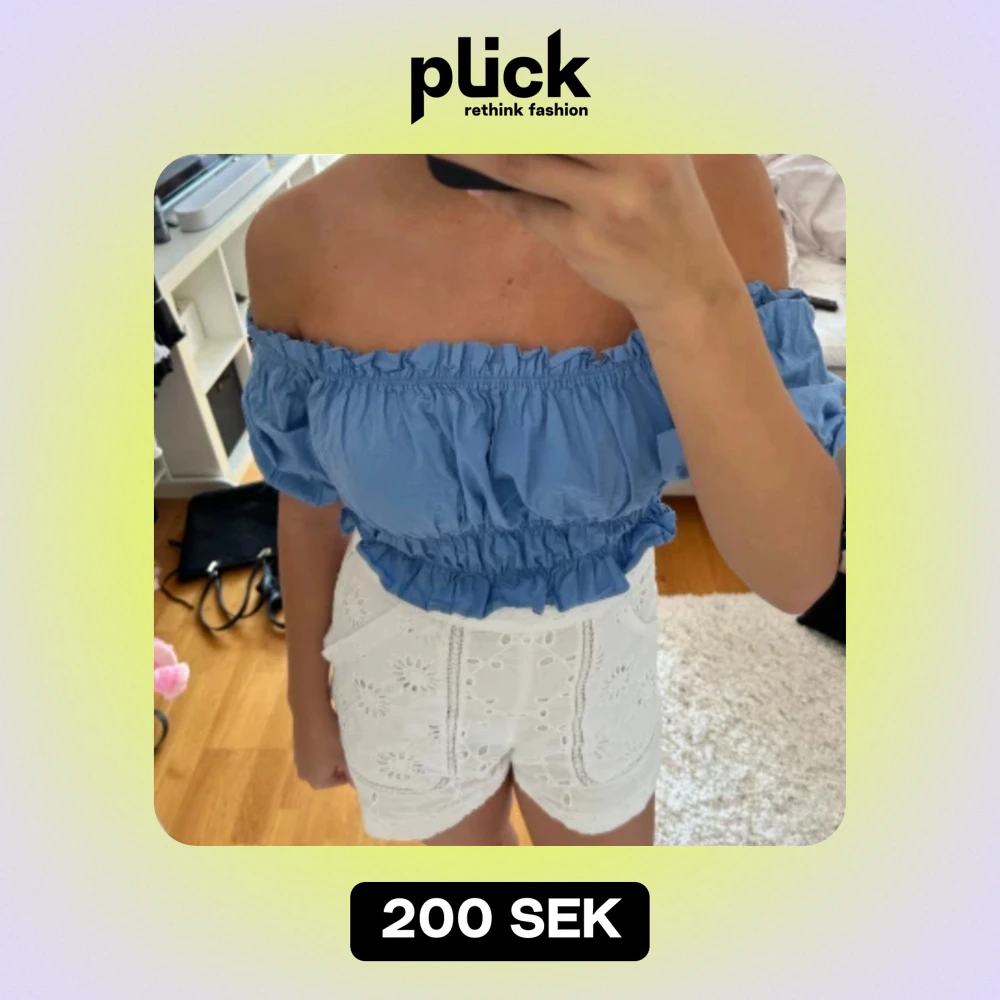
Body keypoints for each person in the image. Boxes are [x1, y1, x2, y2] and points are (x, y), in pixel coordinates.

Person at [241, 155, 845, 846]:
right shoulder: (293, 235)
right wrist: (305, 699)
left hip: (600, 670)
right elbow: (307, 501)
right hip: (401, 675)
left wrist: (687, 294)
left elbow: (798, 571)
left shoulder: (703, 183)